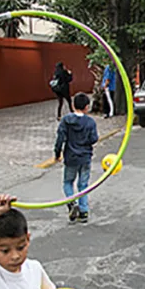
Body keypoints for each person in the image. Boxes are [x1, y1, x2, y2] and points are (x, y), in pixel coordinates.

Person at [54, 92, 98, 223]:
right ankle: (84, 212)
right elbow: (94, 139)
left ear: (73, 105)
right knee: (83, 184)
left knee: (68, 182)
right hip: (85, 157)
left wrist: (57, 153)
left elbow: (60, 138)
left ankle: (71, 203)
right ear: (86, 107)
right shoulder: (90, 122)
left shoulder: (66, 120)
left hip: (71, 157)